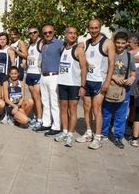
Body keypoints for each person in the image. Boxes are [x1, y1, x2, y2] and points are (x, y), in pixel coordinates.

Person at [76, 19, 115, 150]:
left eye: (96, 28)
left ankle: (97, 137)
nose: (93, 31)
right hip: (87, 81)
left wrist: (107, 81)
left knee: (96, 109)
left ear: (100, 28)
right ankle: (88, 132)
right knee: (87, 108)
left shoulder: (107, 43)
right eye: (91, 28)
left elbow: (111, 64)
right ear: (88, 29)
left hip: (100, 81)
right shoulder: (86, 43)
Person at [101, 32, 136, 149]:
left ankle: (118, 137)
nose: (120, 45)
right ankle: (103, 133)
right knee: (106, 113)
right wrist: (113, 77)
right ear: (114, 42)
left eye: (122, 43)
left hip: (123, 89)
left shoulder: (129, 56)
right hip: (110, 86)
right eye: (118, 43)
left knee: (121, 115)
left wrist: (131, 78)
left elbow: (133, 73)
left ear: (127, 43)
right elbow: (104, 70)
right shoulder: (109, 54)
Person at [54, 27, 87, 147]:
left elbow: (84, 68)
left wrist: (83, 86)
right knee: (63, 108)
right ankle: (64, 131)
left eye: (75, 33)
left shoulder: (78, 49)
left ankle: (70, 135)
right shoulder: (63, 48)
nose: (72, 35)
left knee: (72, 109)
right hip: (63, 82)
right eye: (70, 33)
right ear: (65, 35)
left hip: (74, 84)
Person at [35, 25, 64, 137]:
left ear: (54, 32)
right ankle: (46, 123)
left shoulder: (60, 43)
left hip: (54, 75)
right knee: (45, 101)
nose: (48, 34)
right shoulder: (43, 44)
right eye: (45, 33)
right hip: (44, 75)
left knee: (54, 102)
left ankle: (56, 126)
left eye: (50, 32)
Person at [25, 26, 43, 130]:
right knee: (33, 97)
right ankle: (36, 117)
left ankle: (40, 120)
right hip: (30, 73)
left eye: (35, 32)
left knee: (37, 98)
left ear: (38, 32)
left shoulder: (41, 43)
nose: (33, 34)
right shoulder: (29, 46)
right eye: (30, 33)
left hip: (38, 73)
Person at [126, 34, 139, 137]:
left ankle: (131, 127)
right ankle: (128, 125)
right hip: (127, 87)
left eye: (129, 42)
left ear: (136, 43)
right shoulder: (127, 52)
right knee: (130, 107)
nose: (127, 44)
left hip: (136, 88)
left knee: (134, 108)